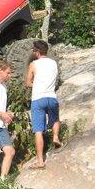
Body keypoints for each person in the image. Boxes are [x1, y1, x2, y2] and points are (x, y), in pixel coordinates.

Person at [26, 40, 60, 169]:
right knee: (55, 119)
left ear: (37, 52)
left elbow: (28, 83)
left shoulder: (33, 64)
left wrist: (36, 84)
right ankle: (55, 137)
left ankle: (40, 161)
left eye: (34, 50)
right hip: (51, 96)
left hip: (38, 98)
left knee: (38, 130)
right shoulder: (53, 63)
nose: (33, 52)